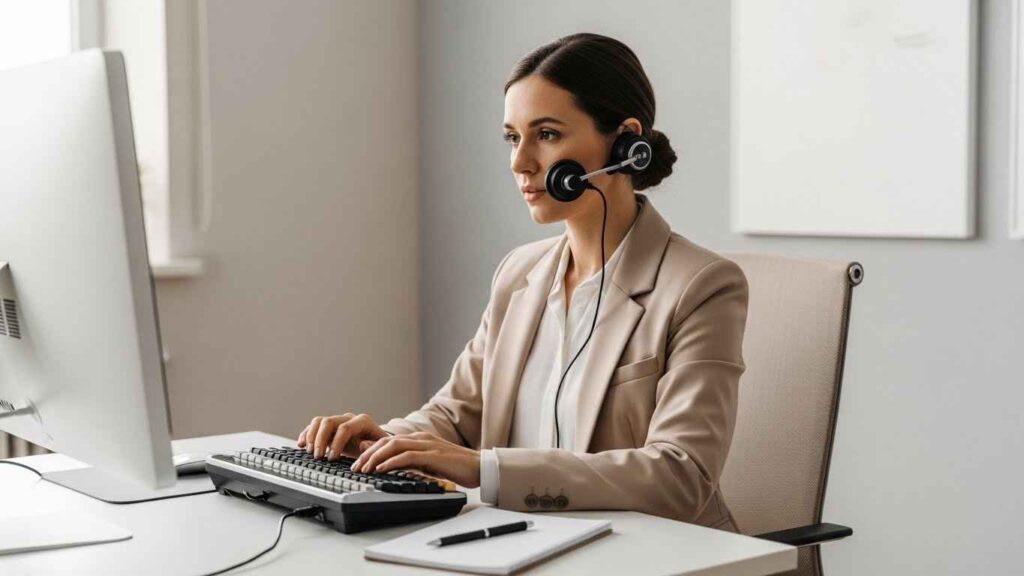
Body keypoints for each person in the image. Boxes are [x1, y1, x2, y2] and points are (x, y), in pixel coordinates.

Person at [296, 32, 749, 532]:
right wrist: (382, 443)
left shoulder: (702, 286)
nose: (520, 162)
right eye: (513, 137)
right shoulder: (520, 273)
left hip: (651, 555)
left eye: (547, 135)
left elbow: (681, 477)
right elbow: (456, 413)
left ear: (625, 142)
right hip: (527, 545)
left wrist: (484, 468)